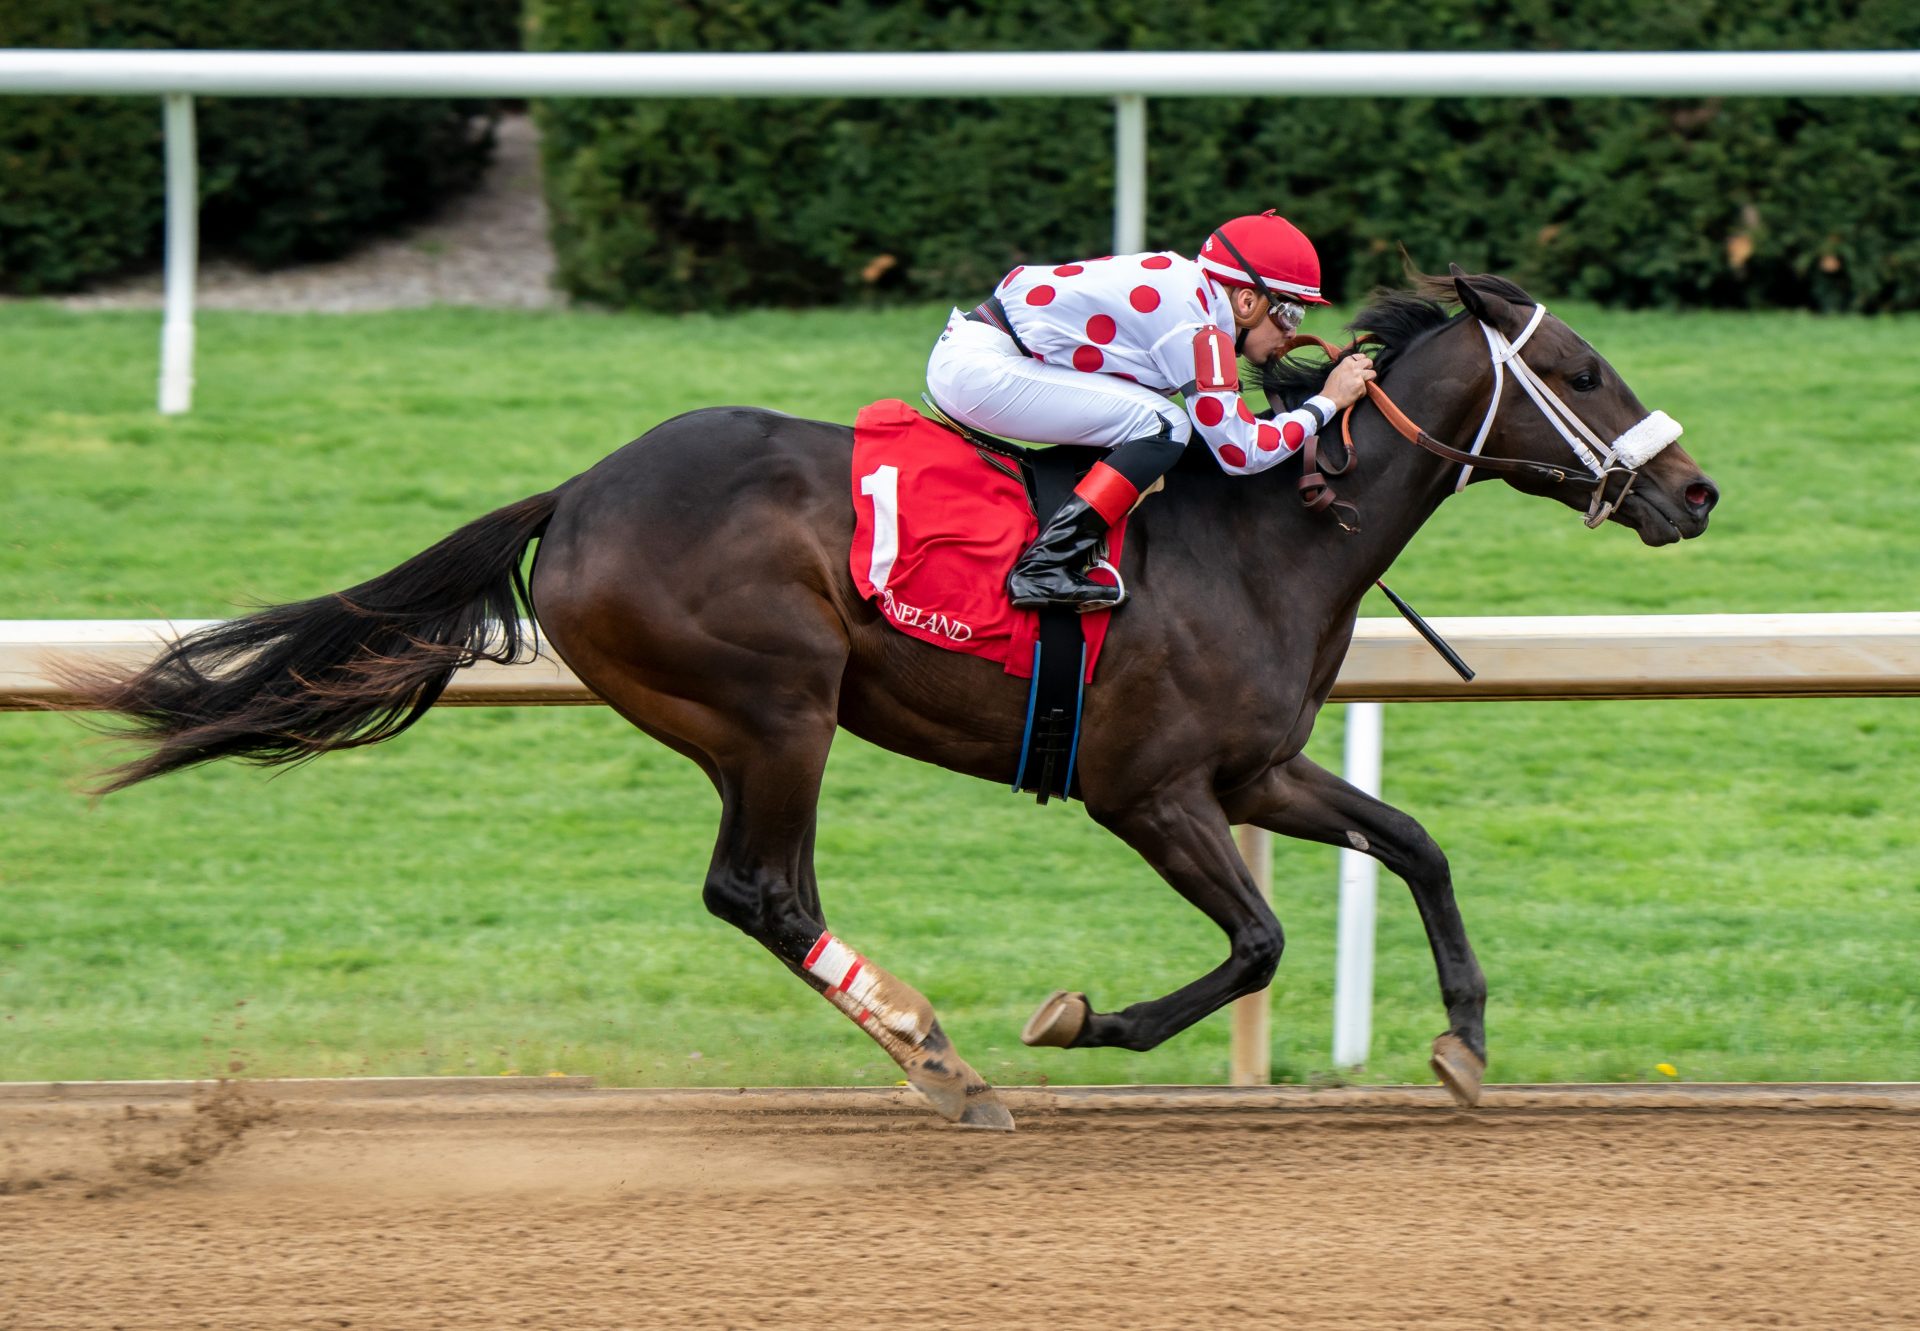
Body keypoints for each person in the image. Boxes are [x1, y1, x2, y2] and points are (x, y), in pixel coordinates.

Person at [926, 210, 1377, 611]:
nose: (1290, 333)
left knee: (1159, 420)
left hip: (983, 354)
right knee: (1165, 424)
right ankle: (1045, 566)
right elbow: (1241, 454)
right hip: (982, 370)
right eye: (1292, 314)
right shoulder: (1197, 328)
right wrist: (1328, 401)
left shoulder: (1189, 293)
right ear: (1247, 301)